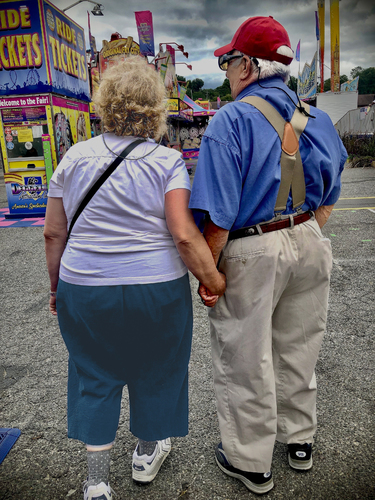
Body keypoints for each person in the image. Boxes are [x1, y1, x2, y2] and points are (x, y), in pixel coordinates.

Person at [44, 57, 225, 500]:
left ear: (105, 103)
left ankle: (97, 481)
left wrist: (56, 288)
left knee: (94, 374)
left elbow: (53, 231)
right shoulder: (166, 161)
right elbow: (182, 234)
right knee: (158, 370)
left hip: (84, 286)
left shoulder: (72, 157)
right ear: (154, 108)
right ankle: (146, 452)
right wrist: (212, 279)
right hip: (156, 289)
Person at [189, 16, 347, 495]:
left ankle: (250, 460)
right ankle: (299, 439)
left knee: (245, 355)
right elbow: (333, 186)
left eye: (230, 60)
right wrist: (304, 232)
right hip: (307, 239)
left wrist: (210, 276)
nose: (227, 70)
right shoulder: (314, 115)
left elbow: (217, 215)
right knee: (300, 343)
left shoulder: (230, 121)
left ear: (251, 65)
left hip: (253, 246)